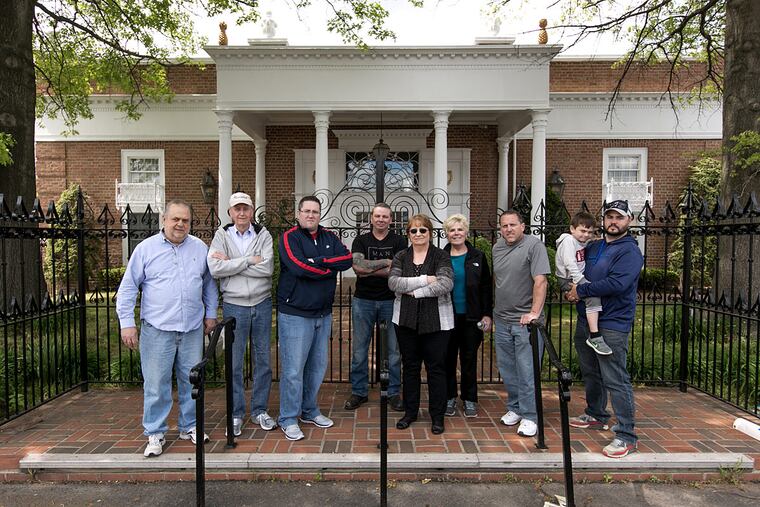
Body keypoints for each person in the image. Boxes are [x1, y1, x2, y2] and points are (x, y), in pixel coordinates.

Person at [116, 200, 218, 458]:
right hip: (157, 329)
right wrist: (126, 323)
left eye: (185, 220)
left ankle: (190, 426)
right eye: (175, 219)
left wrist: (211, 314)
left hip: (191, 329)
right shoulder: (145, 249)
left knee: (192, 380)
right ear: (164, 220)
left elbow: (208, 285)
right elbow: (128, 288)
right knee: (156, 383)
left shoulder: (198, 248)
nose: (180, 224)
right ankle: (155, 432)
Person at [566, 199, 643, 458]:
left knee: (615, 378)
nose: (613, 221)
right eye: (609, 216)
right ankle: (596, 413)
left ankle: (626, 435)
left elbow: (617, 284)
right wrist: (570, 288)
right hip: (586, 318)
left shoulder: (629, 251)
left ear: (629, 220)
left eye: (619, 217)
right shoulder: (595, 246)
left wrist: (582, 290)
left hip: (612, 323)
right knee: (590, 371)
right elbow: (576, 270)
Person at [277, 196, 353, 441]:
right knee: (293, 370)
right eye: (306, 211)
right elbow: (298, 267)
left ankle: (309, 410)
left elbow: (347, 259)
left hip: (323, 312)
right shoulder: (289, 238)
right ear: (299, 214)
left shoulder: (330, 237)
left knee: (317, 367)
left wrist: (318, 262)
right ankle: (288, 417)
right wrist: (327, 269)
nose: (311, 215)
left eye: (315, 211)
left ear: (320, 214)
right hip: (295, 313)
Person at [207, 192, 276, 436]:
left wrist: (233, 264)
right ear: (230, 212)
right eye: (237, 209)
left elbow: (267, 269)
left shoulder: (263, 234)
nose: (242, 213)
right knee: (234, 363)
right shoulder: (221, 235)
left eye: (246, 208)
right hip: (234, 305)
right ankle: (236, 413)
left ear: (252, 210)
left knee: (263, 361)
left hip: (261, 302)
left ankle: (259, 410)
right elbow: (215, 269)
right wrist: (249, 261)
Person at [388, 214, 454, 435]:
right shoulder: (401, 256)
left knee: (436, 369)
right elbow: (393, 282)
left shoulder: (441, 256)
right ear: (408, 234)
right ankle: (410, 412)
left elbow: (446, 283)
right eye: (413, 231)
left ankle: (437, 416)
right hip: (405, 321)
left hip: (437, 322)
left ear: (430, 233)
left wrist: (414, 293)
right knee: (411, 368)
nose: (418, 234)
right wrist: (426, 279)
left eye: (422, 230)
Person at [492, 210, 550, 438]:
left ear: (523, 226)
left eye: (513, 225)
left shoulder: (534, 246)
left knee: (527, 371)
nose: (508, 229)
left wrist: (534, 312)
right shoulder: (497, 248)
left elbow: (541, 281)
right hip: (502, 320)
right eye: (504, 225)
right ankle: (515, 408)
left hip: (525, 322)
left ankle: (530, 416)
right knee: (508, 370)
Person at [345, 203, 407, 412]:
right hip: (364, 301)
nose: (381, 220)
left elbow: (399, 272)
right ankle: (359, 392)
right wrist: (386, 263)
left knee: (394, 350)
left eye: (385, 217)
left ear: (391, 220)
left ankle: (393, 393)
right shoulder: (360, 240)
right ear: (371, 218)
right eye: (377, 216)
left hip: (392, 300)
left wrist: (370, 268)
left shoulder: (399, 240)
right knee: (360, 349)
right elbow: (359, 268)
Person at [442, 214, 493, 418]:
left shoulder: (478, 256)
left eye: (459, 229)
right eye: (452, 230)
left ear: (466, 231)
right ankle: (449, 397)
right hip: (446, 316)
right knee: (447, 359)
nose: (456, 233)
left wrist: (487, 314)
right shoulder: (440, 257)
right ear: (446, 234)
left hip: (472, 318)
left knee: (469, 359)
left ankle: (470, 399)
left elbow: (486, 287)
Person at [555, 212, 611, 355]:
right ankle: (595, 336)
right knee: (593, 296)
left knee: (587, 298)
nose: (586, 235)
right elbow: (569, 263)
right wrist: (581, 282)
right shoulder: (568, 241)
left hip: (575, 279)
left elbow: (589, 242)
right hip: (568, 279)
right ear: (572, 229)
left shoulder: (580, 241)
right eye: (583, 231)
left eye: (589, 232)